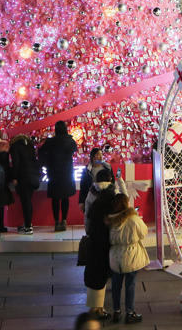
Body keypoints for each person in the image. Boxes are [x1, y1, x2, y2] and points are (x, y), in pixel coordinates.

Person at [106, 192, 146, 324]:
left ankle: (116, 311)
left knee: (116, 284)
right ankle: (130, 312)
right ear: (126, 204)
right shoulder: (133, 219)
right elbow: (143, 232)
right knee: (130, 284)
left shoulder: (110, 220)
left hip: (115, 256)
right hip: (131, 255)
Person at [83, 168, 117, 319]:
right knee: (102, 274)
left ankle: (94, 307)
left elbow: (86, 214)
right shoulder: (112, 194)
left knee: (94, 271)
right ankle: (98, 308)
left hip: (94, 236)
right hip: (105, 238)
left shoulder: (91, 192)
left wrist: (88, 231)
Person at [38, 120, 78, 232]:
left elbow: (42, 151)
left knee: (55, 198)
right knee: (66, 197)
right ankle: (64, 221)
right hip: (67, 173)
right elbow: (74, 149)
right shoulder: (70, 141)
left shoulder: (51, 142)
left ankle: (56, 222)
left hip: (54, 173)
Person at [9, 134, 41, 234]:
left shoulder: (15, 147)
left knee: (25, 202)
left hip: (23, 177)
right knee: (28, 201)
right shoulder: (30, 147)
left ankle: (27, 226)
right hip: (33, 177)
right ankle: (28, 224)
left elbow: (16, 163)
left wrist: (14, 177)